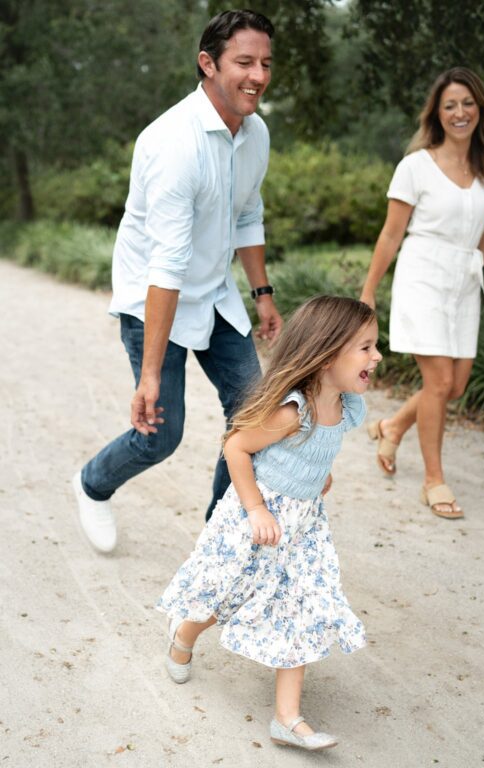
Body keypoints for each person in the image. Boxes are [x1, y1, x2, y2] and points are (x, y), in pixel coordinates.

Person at [70, 9, 283, 552]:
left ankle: (220, 537)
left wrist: (262, 295)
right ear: (208, 63)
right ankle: (92, 484)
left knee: (255, 418)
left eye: (265, 63)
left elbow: (247, 214)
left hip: (214, 294)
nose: (257, 75)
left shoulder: (255, 132)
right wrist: (148, 377)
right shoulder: (173, 144)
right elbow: (165, 267)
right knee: (160, 436)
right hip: (153, 299)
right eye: (243, 62)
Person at [156, 295, 379, 751]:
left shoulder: (344, 406)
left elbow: (318, 452)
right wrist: (257, 509)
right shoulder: (290, 411)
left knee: (299, 606)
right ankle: (184, 633)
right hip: (256, 518)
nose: (377, 357)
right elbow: (236, 447)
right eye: (366, 348)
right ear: (326, 354)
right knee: (228, 596)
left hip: (302, 526)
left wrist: (320, 475)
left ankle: (287, 718)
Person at [360, 67, 484, 520]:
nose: (459, 112)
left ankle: (392, 424)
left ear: (479, 108)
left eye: (467, 103)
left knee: (454, 386)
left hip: (464, 282)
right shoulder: (416, 166)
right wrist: (368, 292)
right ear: (437, 114)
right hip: (422, 275)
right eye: (450, 105)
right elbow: (390, 236)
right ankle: (433, 481)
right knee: (439, 383)